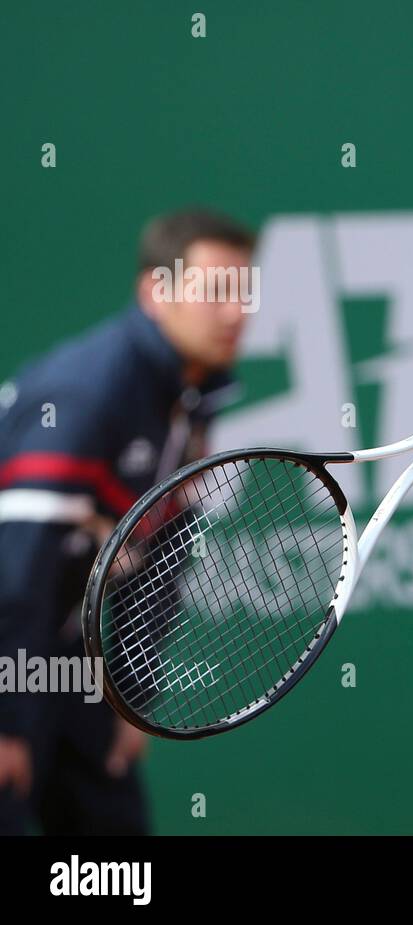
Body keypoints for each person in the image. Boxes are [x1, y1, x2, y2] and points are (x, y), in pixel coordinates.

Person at [0, 208, 255, 834]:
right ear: (155, 293)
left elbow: (163, 557)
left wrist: (129, 702)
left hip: (64, 660)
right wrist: (6, 723)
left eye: (244, 291)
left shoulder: (191, 400)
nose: (234, 312)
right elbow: (16, 573)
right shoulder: (86, 395)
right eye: (214, 290)